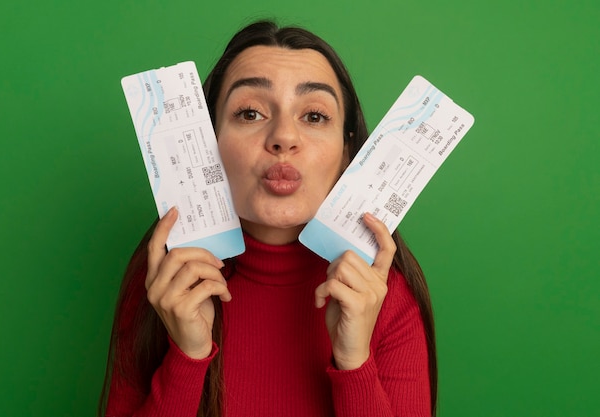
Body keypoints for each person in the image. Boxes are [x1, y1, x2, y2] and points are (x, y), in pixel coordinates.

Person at [99, 20, 437, 417]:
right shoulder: (164, 283)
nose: (283, 136)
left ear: (348, 152)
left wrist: (354, 362)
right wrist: (188, 357)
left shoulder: (387, 296)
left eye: (313, 116)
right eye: (251, 113)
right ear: (209, 144)